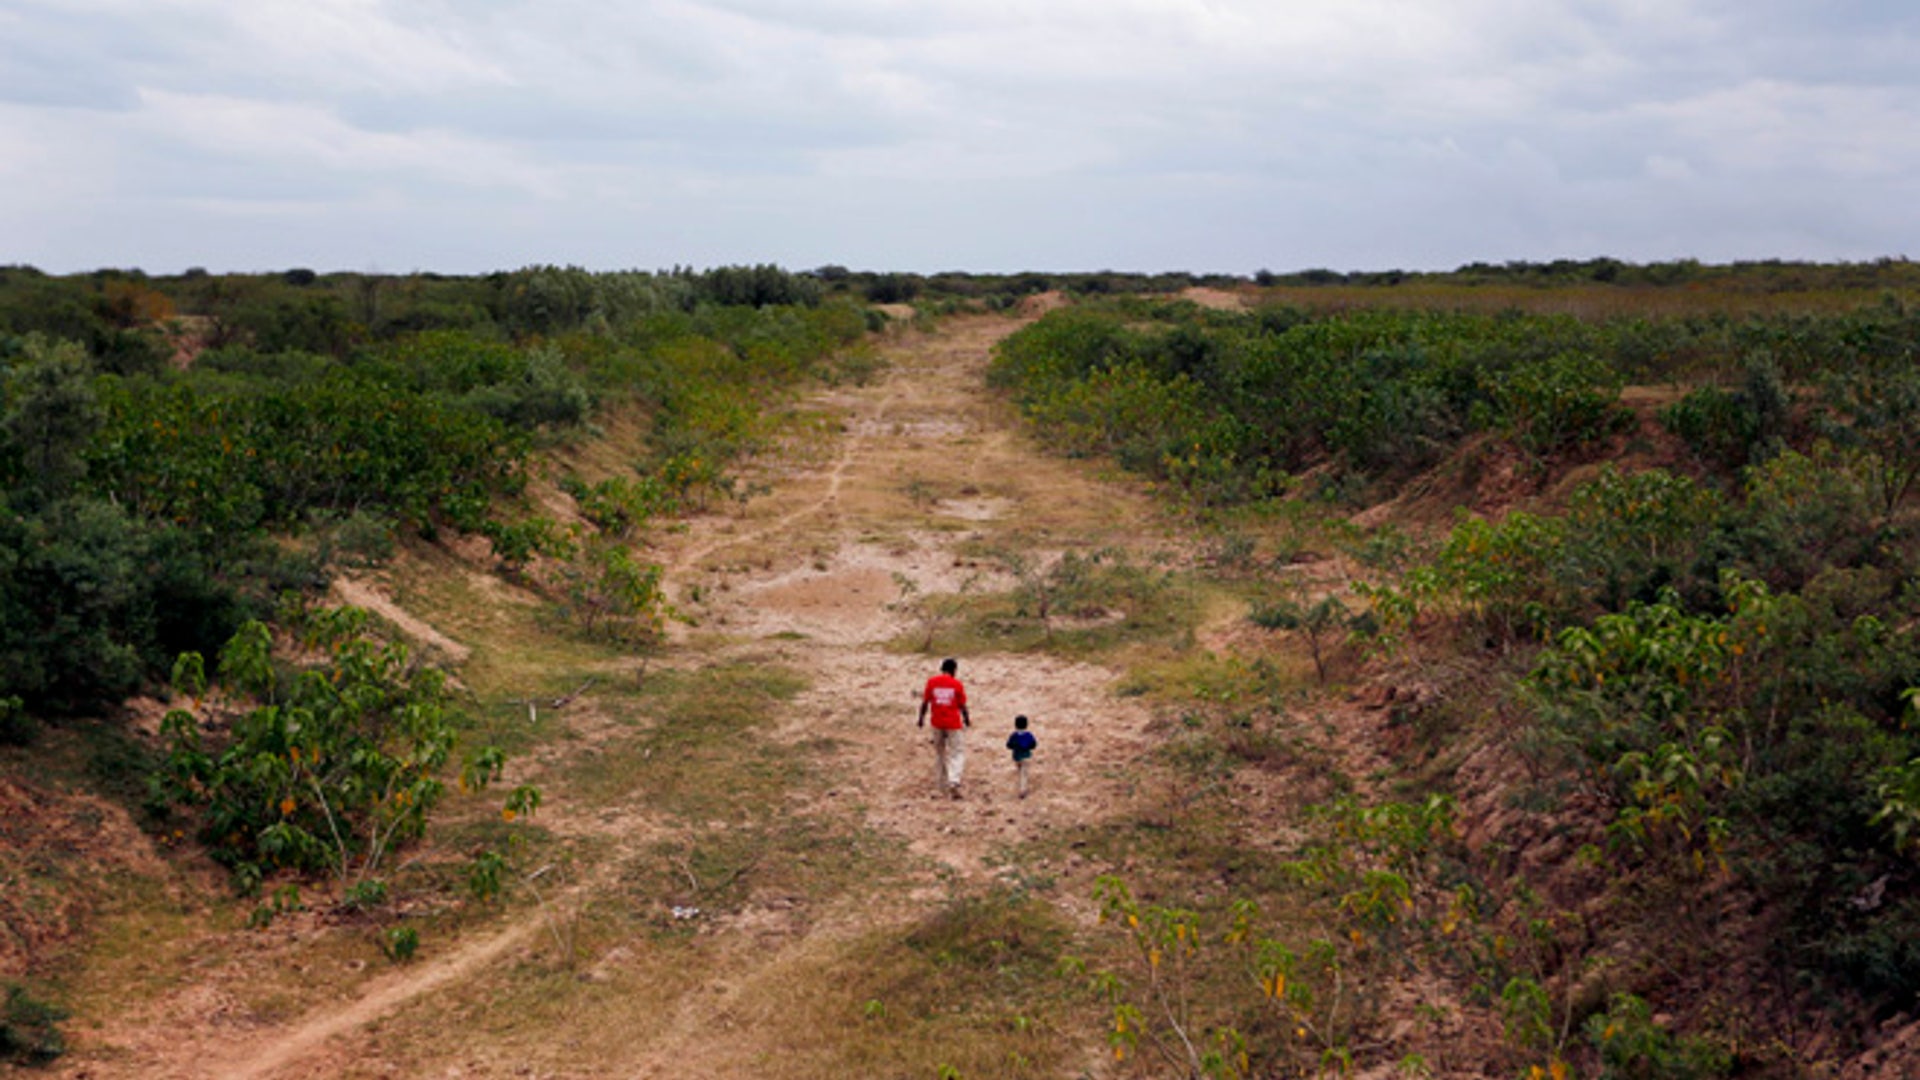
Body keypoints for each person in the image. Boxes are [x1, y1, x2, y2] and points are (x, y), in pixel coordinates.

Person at [917, 657, 971, 798]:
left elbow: (925, 703)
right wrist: (967, 719)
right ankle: (954, 781)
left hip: (937, 722)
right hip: (953, 723)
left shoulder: (932, 682)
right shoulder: (956, 684)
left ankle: (941, 784)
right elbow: (962, 706)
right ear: (954, 670)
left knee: (940, 753)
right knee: (957, 752)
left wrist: (921, 719)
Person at [1006, 714, 1037, 798]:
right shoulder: (1029, 735)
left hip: (1016, 757)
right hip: (1026, 756)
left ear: (1015, 725)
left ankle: (1021, 785)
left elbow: (1008, 745)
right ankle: (1023, 789)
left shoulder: (1014, 736)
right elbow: (1034, 745)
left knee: (1020, 771)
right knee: (1024, 773)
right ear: (1026, 725)